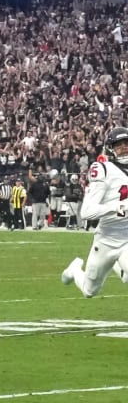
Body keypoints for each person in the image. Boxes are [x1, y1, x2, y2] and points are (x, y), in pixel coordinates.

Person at [61, 127, 128, 297]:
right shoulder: (104, 169)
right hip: (106, 239)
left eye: (127, 144)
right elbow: (87, 212)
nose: (125, 148)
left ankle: (120, 265)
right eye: (119, 145)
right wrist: (116, 208)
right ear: (111, 149)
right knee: (89, 291)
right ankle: (74, 270)